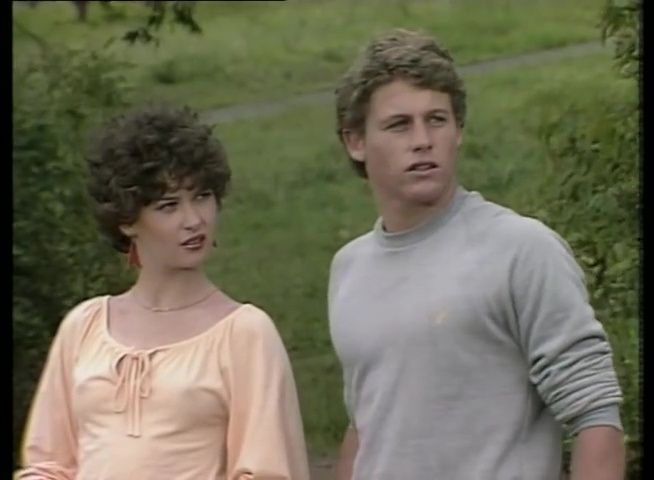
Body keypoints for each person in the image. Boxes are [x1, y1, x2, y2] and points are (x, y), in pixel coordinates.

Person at [328, 28, 625, 480]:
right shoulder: (349, 269)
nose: (422, 139)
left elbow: (596, 417)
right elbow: (366, 426)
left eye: (437, 120)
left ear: (459, 131)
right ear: (355, 141)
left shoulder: (521, 251)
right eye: (399, 124)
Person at [16, 105, 311, 480]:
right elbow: (47, 464)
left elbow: (269, 470)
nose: (194, 220)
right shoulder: (84, 326)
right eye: (169, 206)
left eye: (202, 196)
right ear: (127, 221)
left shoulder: (245, 334)